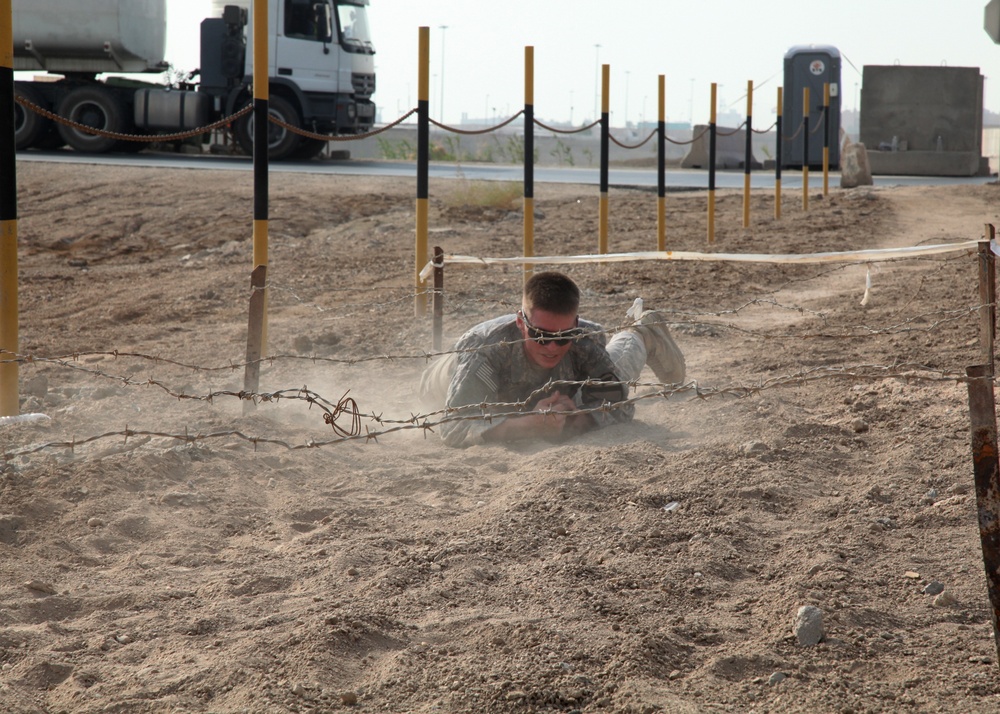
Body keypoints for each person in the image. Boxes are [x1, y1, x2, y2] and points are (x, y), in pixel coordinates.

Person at [419, 271, 685, 448]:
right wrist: (531, 424)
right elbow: (454, 429)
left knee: (619, 371)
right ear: (521, 324)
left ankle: (640, 332)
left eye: (564, 336)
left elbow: (620, 407)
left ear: (576, 325)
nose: (553, 347)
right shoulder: (486, 351)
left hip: (546, 397)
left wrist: (575, 418)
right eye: (541, 335)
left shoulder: (585, 339)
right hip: (444, 382)